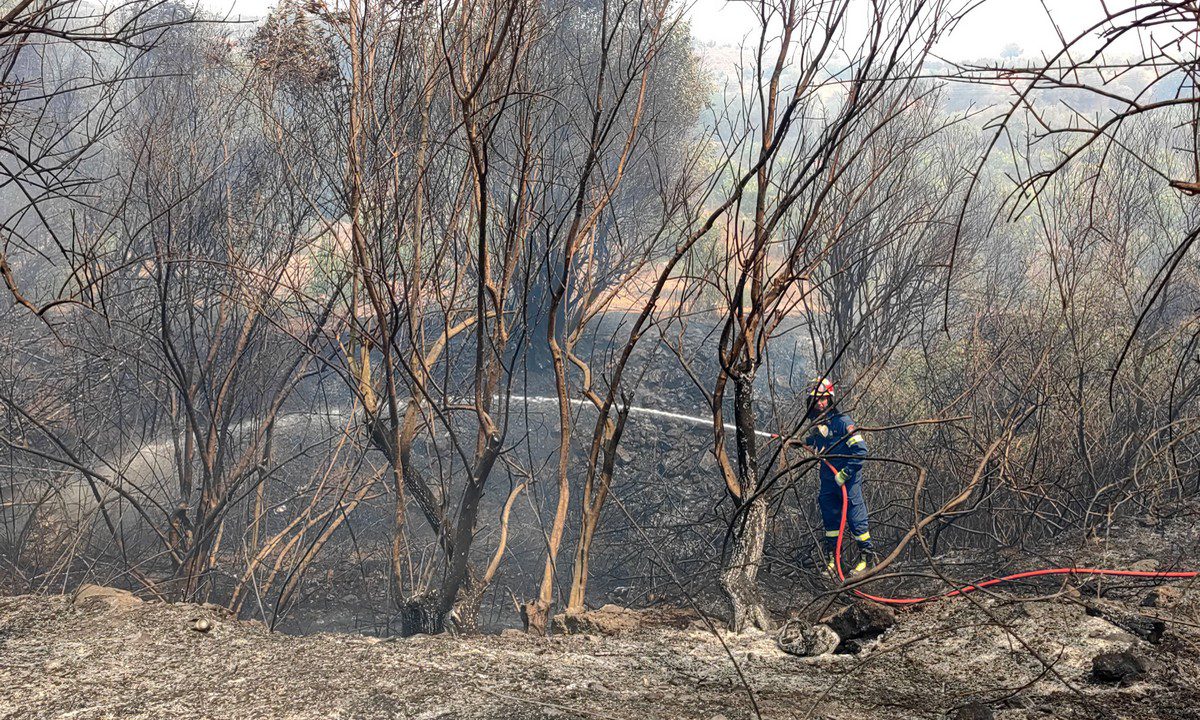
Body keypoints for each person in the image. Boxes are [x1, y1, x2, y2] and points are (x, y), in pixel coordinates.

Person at [804, 376, 877, 575]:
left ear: (831, 399)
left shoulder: (844, 422)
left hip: (847, 481)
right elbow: (818, 440)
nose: (820, 402)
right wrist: (802, 441)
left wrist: (844, 474)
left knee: (855, 518)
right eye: (817, 399)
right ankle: (833, 562)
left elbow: (861, 451)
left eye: (824, 398)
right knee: (831, 521)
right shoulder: (820, 424)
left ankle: (866, 560)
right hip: (827, 480)